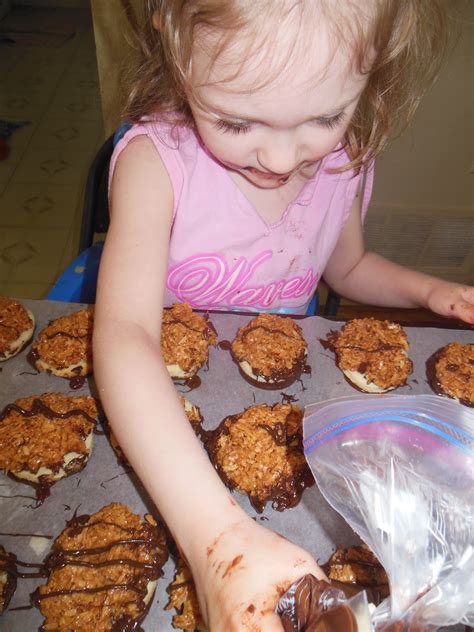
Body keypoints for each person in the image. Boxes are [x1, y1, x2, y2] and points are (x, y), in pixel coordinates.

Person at [93, 1, 474, 629]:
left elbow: (348, 269)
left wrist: (431, 293)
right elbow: (125, 331)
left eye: (323, 116)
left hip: (284, 408)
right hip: (160, 416)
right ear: (176, 39)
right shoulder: (155, 166)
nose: (279, 158)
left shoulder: (342, 159)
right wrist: (216, 542)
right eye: (238, 122)